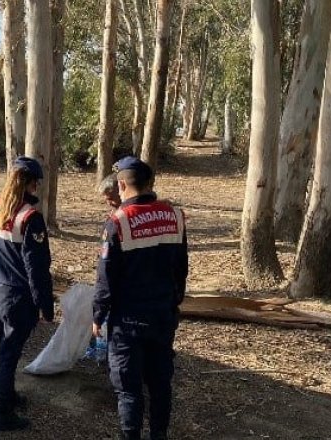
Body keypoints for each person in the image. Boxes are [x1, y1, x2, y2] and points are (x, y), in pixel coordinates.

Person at [92, 157, 188, 440]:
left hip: (129, 321)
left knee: (129, 388)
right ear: (149, 184)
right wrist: (173, 304)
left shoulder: (118, 222)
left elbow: (106, 278)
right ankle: (159, 434)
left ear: (122, 184)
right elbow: (181, 268)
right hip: (162, 316)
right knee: (160, 383)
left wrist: (98, 315)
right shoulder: (175, 216)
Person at [0, 157, 54, 431]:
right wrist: (45, 306)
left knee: (5, 347)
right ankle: (4, 413)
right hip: (17, 297)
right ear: (31, 183)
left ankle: (9, 395)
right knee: (8, 354)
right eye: (37, 183)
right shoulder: (29, 218)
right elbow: (37, 269)